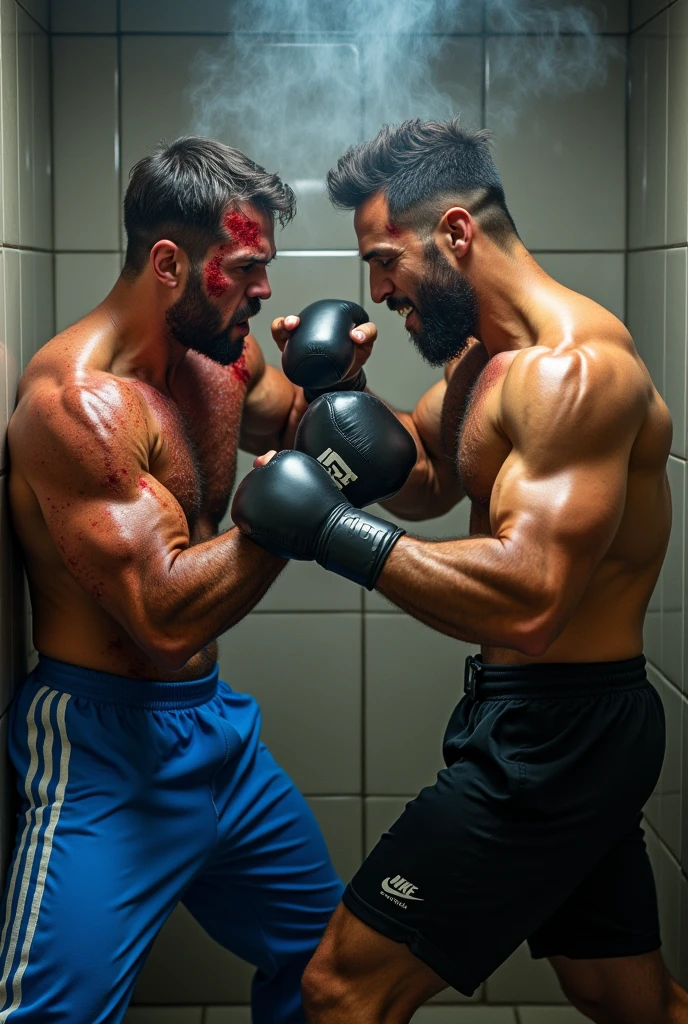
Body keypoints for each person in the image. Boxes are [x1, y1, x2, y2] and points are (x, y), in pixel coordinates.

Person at [232, 117, 688, 1024]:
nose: (378, 289)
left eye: (383, 259)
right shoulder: (488, 361)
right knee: (622, 996)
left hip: (557, 739)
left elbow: (530, 599)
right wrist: (335, 399)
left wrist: (330, 532)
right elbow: (431, 477)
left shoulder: (574, 374)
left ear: (454, 234)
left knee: (339, 992)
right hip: (544, 722)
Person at [0, 136, 378, 1024]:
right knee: (54, 1015)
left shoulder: (224, 361)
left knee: (335, 972)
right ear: (169, 262)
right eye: (245, 268)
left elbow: (305, 433)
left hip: (218, 736)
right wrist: (314, 500)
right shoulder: (79, 407)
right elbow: (163, 616)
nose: (265, 291)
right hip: (102, 750)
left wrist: (333, 388)